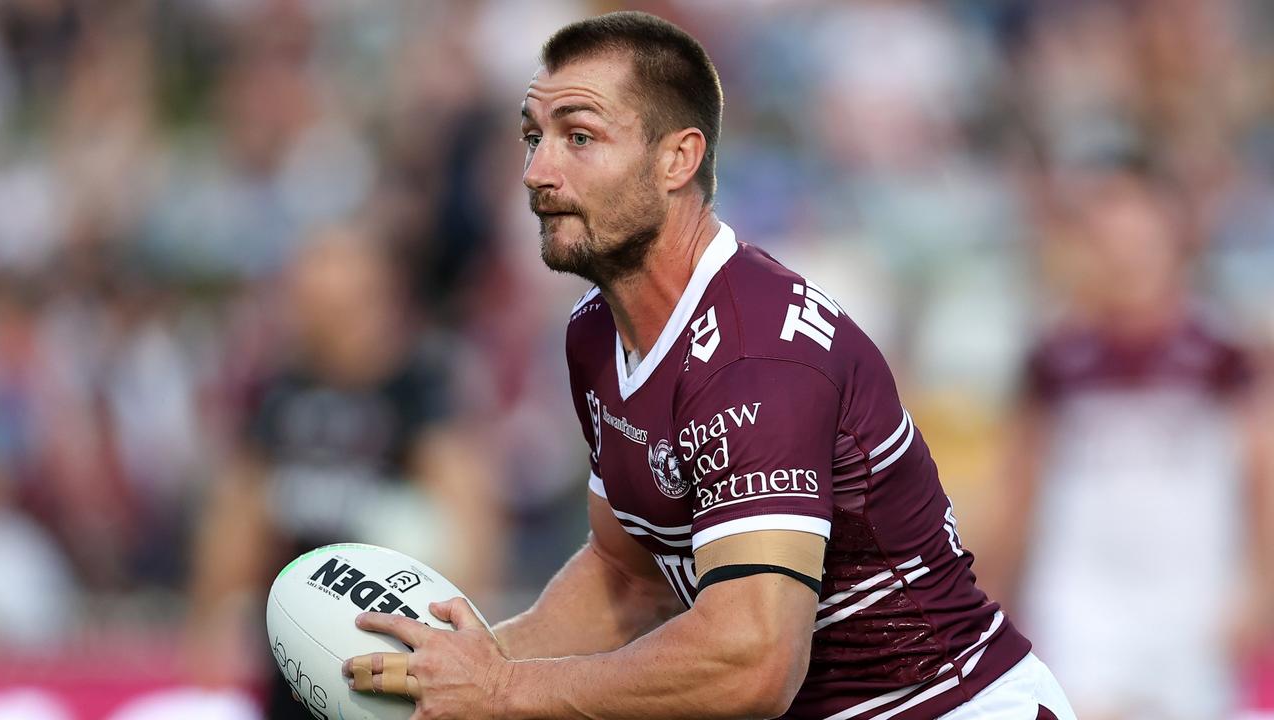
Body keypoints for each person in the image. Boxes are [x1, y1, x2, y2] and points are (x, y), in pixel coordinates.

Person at [343, 11, 1075, 719]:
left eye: (580, 137)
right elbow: (629, 579)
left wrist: (504, 695)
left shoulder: (756, 358)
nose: (537, 172)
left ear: (678, 159)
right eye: (534, 138)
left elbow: (754, 663)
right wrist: (467, 669)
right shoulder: (596, 335)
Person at [982, 164, 1274, 720]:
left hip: (1192, 594)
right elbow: (1020, 480)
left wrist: (1261, 587)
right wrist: (993, 585)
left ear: (1174, 241)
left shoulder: (1223, 353)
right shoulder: (1055, 359)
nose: (1125, 257)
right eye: (1107, 240)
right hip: (1083, 593)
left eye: (1140, 240)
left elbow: (1263, 475)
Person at [186, 226, 502, 718]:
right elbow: (237, 517)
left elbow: (468, 517)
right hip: (294, 653)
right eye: (307, 303)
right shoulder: (281, 394)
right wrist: (212, 620)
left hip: (389, 657)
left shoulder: (416, 389)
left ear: (375, 300)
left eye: (334, 306)